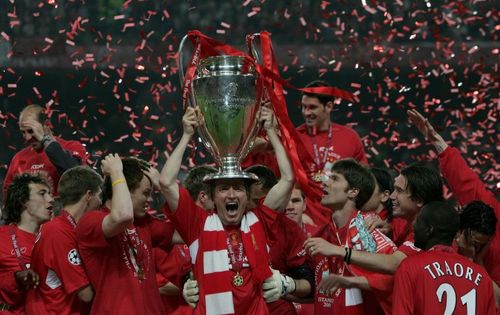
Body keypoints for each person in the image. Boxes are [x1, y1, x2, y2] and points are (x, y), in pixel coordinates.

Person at [160, 106, 299, 314]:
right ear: (213, 197)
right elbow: (166, 182)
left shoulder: (260, 220)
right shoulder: (197, 223)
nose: (232, 194)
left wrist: (270, 131)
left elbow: (288, 179)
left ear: (248, 196)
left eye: (239, 188)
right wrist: (186, 135)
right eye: (224, 188)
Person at [408, 109, 500, 290]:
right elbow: (464, 180)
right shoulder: (491, 212)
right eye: (473, 239)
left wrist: (475, 261)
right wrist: (436, 140)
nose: (475, 244)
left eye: (480, 242)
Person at [75, 155, 175, 314]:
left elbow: (186, 231)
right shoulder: (91, 221)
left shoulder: (144, 223)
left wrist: (166, 188)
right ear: (124, 189)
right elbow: (123, 216)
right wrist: (116, 172)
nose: (150, 199)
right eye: (146, 193)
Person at [306, 162, 445, 276]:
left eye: (399, 191)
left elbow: (395, 264)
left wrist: (338, 250)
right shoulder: (399, 229)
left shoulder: (429, 233)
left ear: (419, 200)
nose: (392, 196)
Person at [303, 159, 396, 315]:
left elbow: (395, 273)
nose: (325, 182)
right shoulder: (320, 236)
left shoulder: (365, 231)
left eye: (334, 178)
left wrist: (340, 251)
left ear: (353, 192)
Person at [392, 201, 496, 314]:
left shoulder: (410, 267)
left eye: (482, 245)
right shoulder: (482, 277)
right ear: (459, 232)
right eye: (474, 242)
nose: (477, 248)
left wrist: (475, 261)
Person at [26, 166, 103, 315]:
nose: (100, 202)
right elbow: (86, 295)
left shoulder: (65, 227)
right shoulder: (59, 232)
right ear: (88, 195)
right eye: (99, 195)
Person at [3, 104, 88, 196]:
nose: (27, 138)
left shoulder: (72, 146)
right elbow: (7, 196)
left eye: (31, 131)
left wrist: (46, 141)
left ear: (46, 125)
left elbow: (77, 176)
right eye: (23, 132)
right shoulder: (18, 158)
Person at [0, 173, 54, 314]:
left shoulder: (55, 237)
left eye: (50, 194)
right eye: (43, 194)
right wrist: (16, 278)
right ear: (24, 200)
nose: (51, 199)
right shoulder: (2, 237)